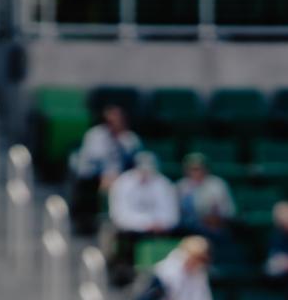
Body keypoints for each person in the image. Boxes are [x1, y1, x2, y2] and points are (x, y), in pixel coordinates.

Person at [107, 152, 179, 281]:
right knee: (124, 238)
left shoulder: (163, 184)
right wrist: (146, 224)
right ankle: (125, 275)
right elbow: (119, 216)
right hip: (131, 230)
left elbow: (172, 215)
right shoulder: (122, 183)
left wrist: (159, 224)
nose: (145, 173)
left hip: (159, 230)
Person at [70, 105, 142, 233]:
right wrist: (105, 174)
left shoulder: (129, 138)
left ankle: (119, 221)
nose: (114, 123)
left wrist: (120, 141)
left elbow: (135, 158)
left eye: (117, 120)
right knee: (89, 184)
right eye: (111, 120)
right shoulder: (95, 134)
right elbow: (94, 157)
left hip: (120, 176)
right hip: (93, 173)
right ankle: (85, 221)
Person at [139, 236, 213, 300]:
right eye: (195, 257)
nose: (197, 262)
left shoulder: (200, 273)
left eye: (201, 259)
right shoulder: (162, 274)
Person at [176, 153, 236, 235]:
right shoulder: (181, 185)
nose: (195, 172)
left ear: (206, 169)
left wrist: (215, 219)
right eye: (191, 169)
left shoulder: (217, 184)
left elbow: (229, 211)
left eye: (198, 168)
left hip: (213, 228)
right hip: (186, 228)